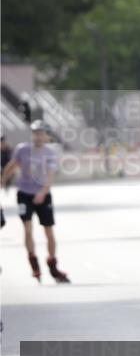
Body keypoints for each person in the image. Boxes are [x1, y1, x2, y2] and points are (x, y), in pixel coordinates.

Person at [1, 121, 70, 282]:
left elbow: (50, 176)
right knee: (27, 228)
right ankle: (33, 261)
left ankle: (52, 264)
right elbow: (13, 165)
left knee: (48, 231)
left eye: (41, 134)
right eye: (35, 133)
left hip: (42, 195)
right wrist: (3, 179)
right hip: (24, 194)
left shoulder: (50, 153)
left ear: (47, 136)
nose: (38, 136)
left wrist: (42, 193)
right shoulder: (22, 149)